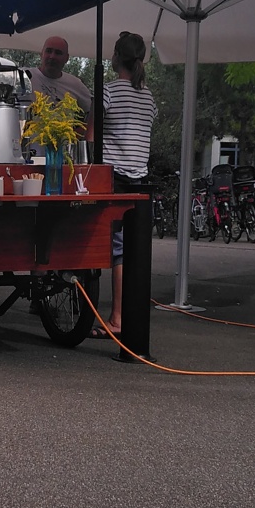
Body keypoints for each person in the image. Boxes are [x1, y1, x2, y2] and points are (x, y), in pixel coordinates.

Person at [92, 31, 157, 338]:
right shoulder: (148, 96)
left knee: (114, 249)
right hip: (140, 179)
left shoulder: (108, 92)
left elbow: (90, 137)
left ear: (115, 57)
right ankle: (126, 315)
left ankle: (117, 319)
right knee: (132, 248)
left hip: (113, 178)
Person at [28, 37, 92, 132]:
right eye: (49, 51)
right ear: (41, 54)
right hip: (27, 145)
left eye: (58, 53)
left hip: (62, 145)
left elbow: (96, 112)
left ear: (66, 58)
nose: (52, 56)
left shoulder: (75, 84)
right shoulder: (24, 77)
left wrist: (80, 133)